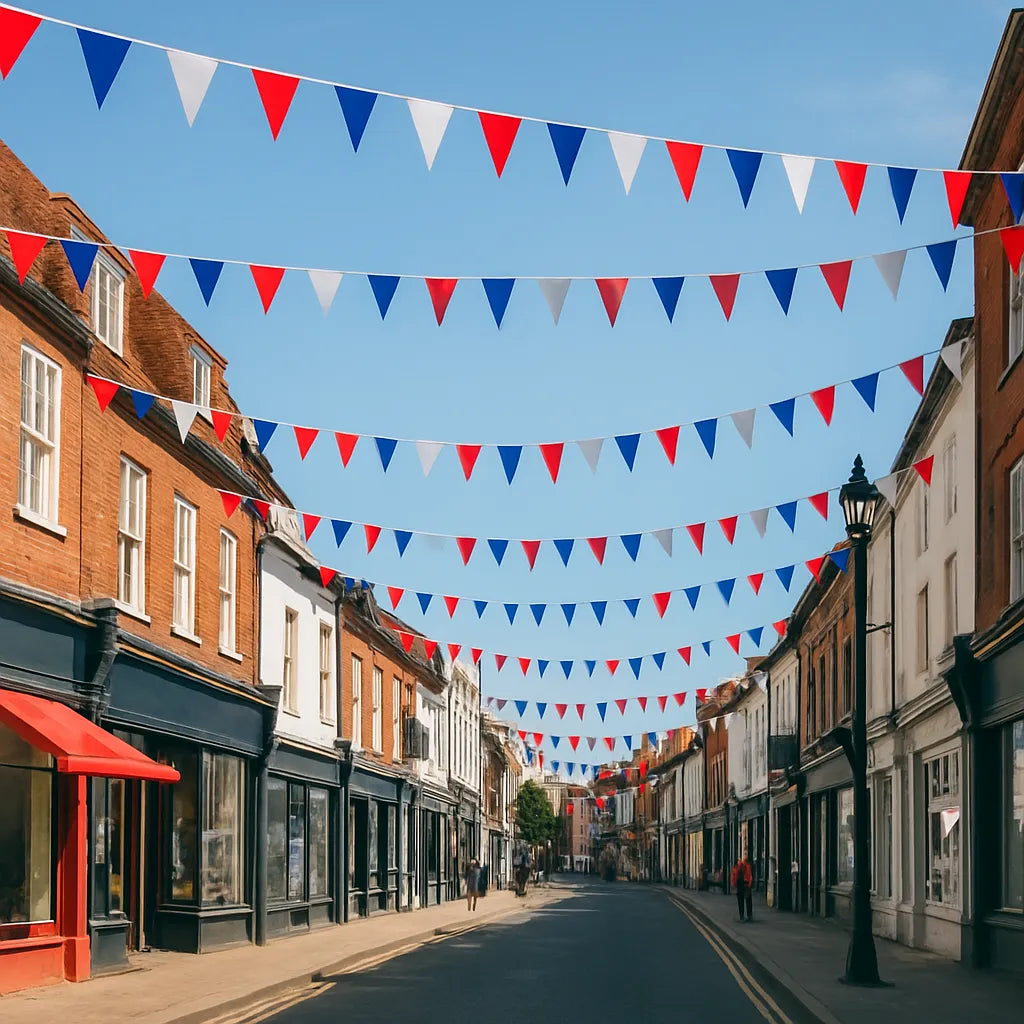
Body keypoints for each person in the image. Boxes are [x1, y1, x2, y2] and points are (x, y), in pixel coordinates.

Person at [731, 854, 753, 921]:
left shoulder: (736, 867)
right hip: (745, 884)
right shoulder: (747, 865)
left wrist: (734, 885)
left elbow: (734, 876)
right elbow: (750, 876)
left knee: (740, 901)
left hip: (740, 884)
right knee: (748, 900)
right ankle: (749, 916)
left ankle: (742, 916)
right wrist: (749, 884)